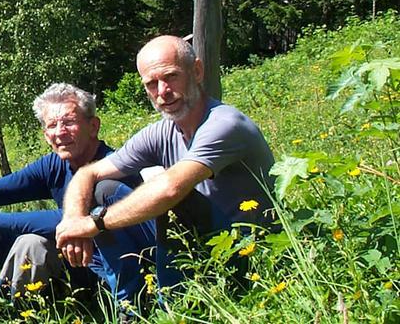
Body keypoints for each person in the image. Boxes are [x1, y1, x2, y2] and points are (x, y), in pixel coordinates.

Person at [56, 36, 275, 294]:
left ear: (197, 71)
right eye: (151, 83)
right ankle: (130, 303)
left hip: (248, 253)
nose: (162, 91)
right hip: (200, 244)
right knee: (106, 188)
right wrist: (73, 220)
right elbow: (88, 172)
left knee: (172, 195)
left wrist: (95, 223)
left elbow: (171, 188)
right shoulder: (163, 132)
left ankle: (171, 304)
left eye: (171, 77)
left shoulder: (224, 124)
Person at [0, 82, 156, 323]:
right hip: (69, 262)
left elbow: (67, 219)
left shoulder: (114, 167)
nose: (59, 132)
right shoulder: (55, 164)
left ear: (93, 126)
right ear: (45, 134)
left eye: (69, 122)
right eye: (52, 125)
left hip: (103, 275)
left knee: (30, 243)